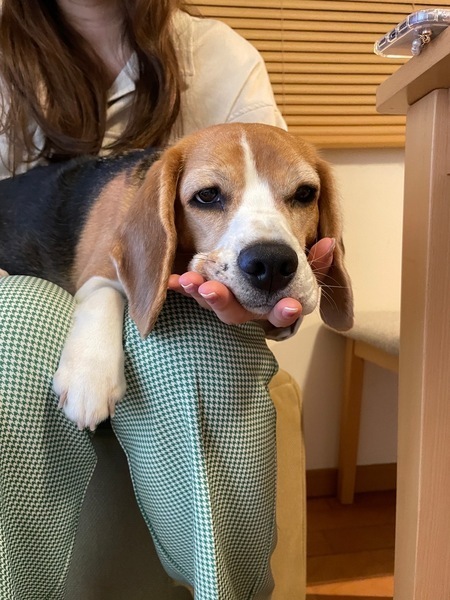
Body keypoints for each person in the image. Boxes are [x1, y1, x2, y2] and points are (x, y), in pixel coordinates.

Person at [0, 1, 333, 598]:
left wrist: (270, 305)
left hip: (179, 290)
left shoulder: (220, 56)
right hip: (22, 272)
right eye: (208, 196)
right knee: (20, 325)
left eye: (303, 196)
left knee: (200, 345)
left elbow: (275, 213)